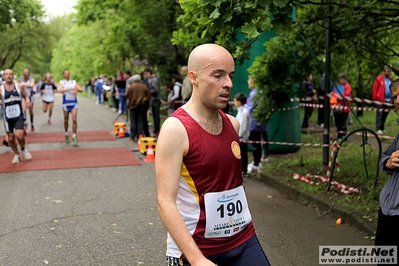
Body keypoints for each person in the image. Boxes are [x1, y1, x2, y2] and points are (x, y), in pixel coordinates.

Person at [156, 43, 270, 266]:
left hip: (243, 239)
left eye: (230, 75)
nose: (228, 83)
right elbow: (165, 201)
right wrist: (197, 259)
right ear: (194, 77)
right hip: (196, 249)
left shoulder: (232, 124)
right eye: (218, 75)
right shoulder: (175, 130)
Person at [375, 78, 399, 266]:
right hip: (387, 212)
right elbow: (385, 156)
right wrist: (388, 163)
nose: (397, 100)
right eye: (395, 97)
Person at [0, 69, 32, 163]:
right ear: (4, 77)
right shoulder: (1, 88)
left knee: (19, 135)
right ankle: (16, 154)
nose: (9, 76)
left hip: (18, 115)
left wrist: (27, 100)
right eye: (6, 74)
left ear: (13, 76)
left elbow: (25, 95)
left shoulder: (19, 86)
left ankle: (23, 149)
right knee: (10, 137)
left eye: (10, 74)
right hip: (7, 117)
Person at [246, 75, 269, 173]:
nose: (248, 82)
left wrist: (242, 111)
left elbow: (249, 109)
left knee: (255, 143)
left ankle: (256, 163)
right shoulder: (263, 93)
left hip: (253, 123)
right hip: (262, 122)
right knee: (259, 142)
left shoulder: (254, 94)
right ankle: (258, 161)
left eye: (249, 80)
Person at [58, 69, 83, 145]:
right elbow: (59, 90)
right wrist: (69, 89)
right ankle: (66, 134)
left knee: (74, 119)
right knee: (66, 120)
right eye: (65, 73)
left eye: (68, 73)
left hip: (74, 103)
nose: (67, 75)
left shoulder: (73, 82)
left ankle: (74, 135)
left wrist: (77, 89)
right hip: (65, 103)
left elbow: (81, 89)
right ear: (63, 74)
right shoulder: (62, 82)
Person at [126, 74, 151, 141]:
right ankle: (140, 134)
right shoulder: (143, 86)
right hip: (141, 105)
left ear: (134, 80)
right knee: (140, 120)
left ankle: (132, 135)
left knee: (133, 120)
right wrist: (144, 99)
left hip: (132, 105)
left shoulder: (131, 87)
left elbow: (127, 95)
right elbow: (148, 95)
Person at [372, 65, 395, 135]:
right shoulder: (379, 79)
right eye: (386, 70)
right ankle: (378, 128)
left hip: (389, 100)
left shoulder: (391, 80)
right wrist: (375, 98)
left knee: (385, 114)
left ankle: (382, 127)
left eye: (388, 70)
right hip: (380, 100)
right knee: (380, 114)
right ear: (383, 71)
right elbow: (375, 88)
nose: (387, 72)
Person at [330, 73, 352, 140]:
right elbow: (333, 94)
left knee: (343, 123)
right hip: (336, 108)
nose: (342, 80)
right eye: (341, 79)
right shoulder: (337, 86)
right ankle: (339, 136)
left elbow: (345, 95)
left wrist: (338, 95)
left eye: (343, 79)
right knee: (338, 123)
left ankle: (344, 137)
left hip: (344, 108)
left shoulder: (347, 87)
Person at [234, 92, 250, 178]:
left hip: (242, 137)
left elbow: (242, 126)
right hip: (240, 137)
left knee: (243, 154)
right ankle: (242, 169)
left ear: (239, 102)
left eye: (235, 101)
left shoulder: (244, 112)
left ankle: (244, 170)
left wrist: (238, 135)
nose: (234, 103)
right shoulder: (240, 111)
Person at [143, 68, 161, 136]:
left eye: (146, 74)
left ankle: (156, 130)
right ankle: (156, 129)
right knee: (154, 115)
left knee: (156, 115)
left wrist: (148, 92)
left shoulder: (154, 80)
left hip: (155, 99)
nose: (145, 75)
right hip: (153, 99)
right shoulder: (152, 79)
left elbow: (155, 90)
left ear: (149, 73)